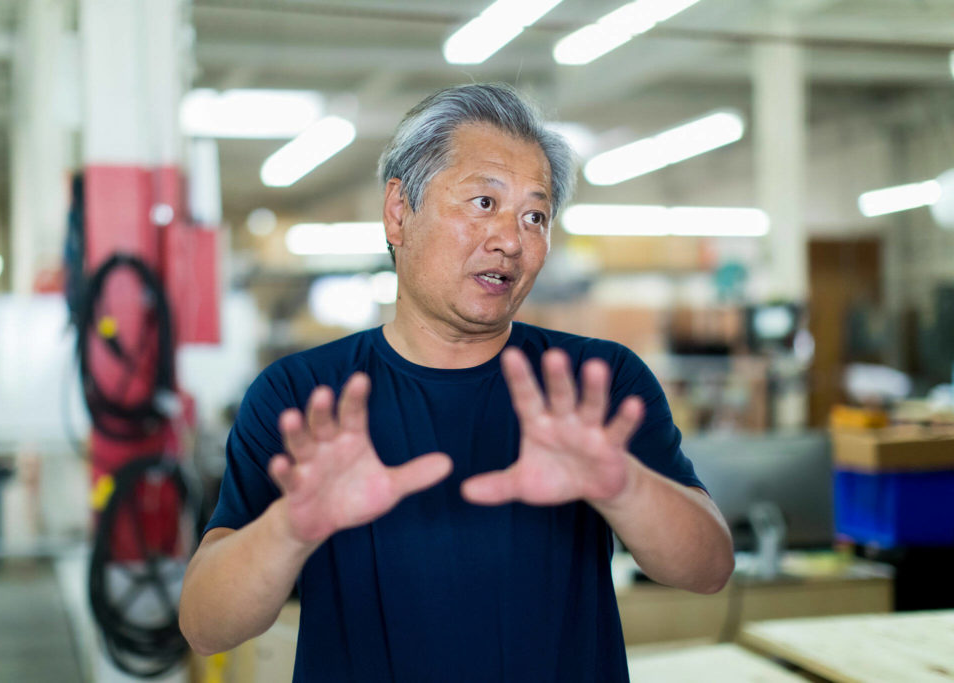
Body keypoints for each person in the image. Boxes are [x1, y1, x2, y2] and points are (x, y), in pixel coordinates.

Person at [180, 83, 734, 681]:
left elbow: (708, 569)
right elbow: (207, 626)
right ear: (399, 212)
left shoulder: (592, 385)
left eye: (535, 215)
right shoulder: (304, 397)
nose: (511, 240)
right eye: (483, 202)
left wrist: (621, 485)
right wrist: (291, 528)